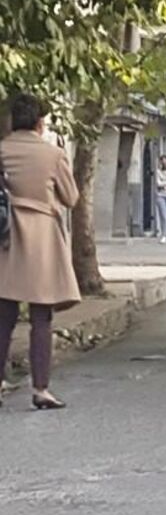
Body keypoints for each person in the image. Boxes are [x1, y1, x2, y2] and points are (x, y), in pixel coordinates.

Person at [0, 92, 80, 409]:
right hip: (42, 237)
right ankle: (41, 388)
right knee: (41, 315)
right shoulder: (52, 154)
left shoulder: (2, 150)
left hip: (5, 236)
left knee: (4, 314)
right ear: (39, 123)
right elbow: (71, 197)